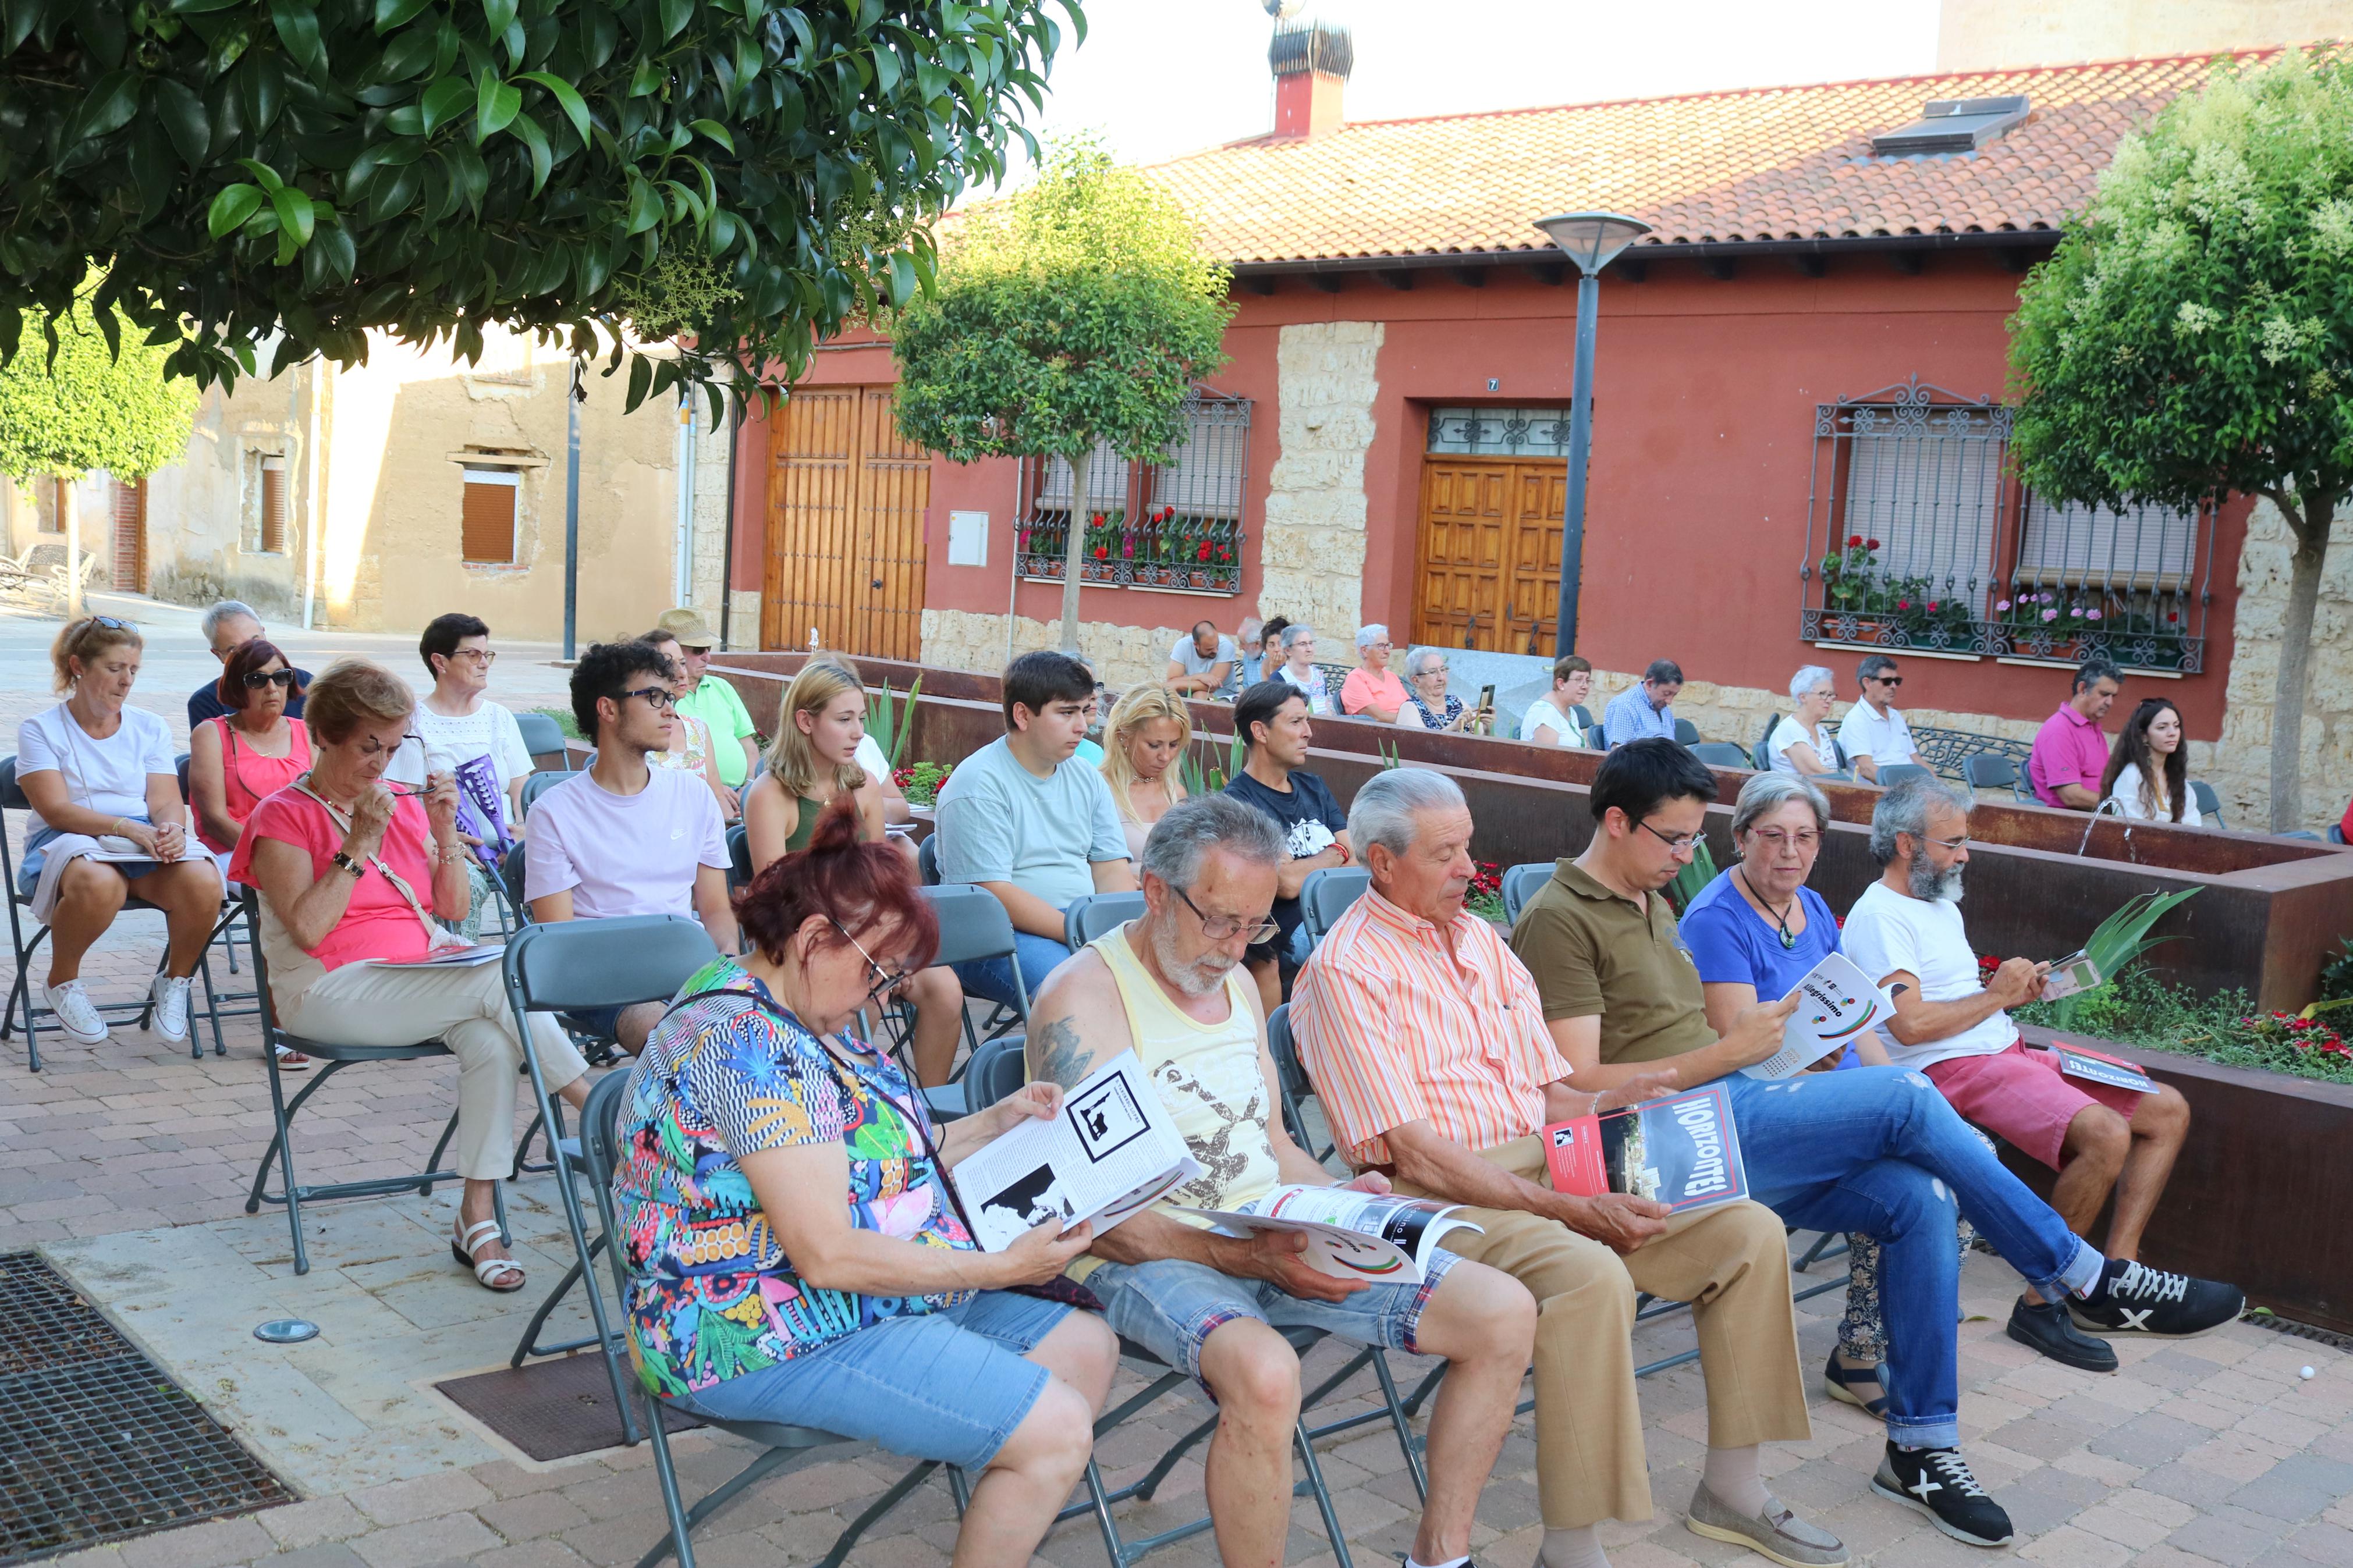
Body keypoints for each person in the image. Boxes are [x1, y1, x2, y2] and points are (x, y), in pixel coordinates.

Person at [1510, 746, 2244, 1551]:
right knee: (1902, 1095)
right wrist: (1725, 1054)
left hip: (1728, 1117)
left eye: (1693, 839)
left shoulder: (1644, 894)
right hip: (1654, 1144)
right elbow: (1573, 1084)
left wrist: (1766, 1048)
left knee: (1915, 1197)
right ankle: (2078, 1274)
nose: (1688, 858)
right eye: (1675, 839)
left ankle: (1920, 1447)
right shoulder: (1562, 914)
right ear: (1616, 821)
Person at [1291, 766, 1839, 1568]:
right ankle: (1572, 1546)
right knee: (1590, 1274)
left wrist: (1625, 1095)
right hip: (1442, 1191)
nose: (1465, 869)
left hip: (1549, 1159)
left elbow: (1549, 1089)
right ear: (1380, 861)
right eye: (1444, 854)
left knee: (1747, 1230)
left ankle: (1732, 1486)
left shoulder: (1481, 940)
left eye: (1468, 847)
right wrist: (1568, 1209)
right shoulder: (1345, 971)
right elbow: (1411, 1150)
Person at [1024, 795, 1536, 1568]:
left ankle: (1440, 1554)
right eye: (1219, 920)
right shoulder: (1084, 999)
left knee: (1500, 1309)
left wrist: (1341, 1199)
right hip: (1140, 1251)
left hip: (1263, 1222)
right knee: (1266, 1373)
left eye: (1254, 925)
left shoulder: (1227, 975)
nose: (1235, 947)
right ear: (1155, 889)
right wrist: (1242, 1255)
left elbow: (1268, 1141)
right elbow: (1095, 1214)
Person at [612, 805, 1117, 1563]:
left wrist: (995, 1119)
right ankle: (1017, 1456)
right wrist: (998, 1268)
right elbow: (825, 1253)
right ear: (815, 938)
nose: (881, 995)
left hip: (839, 1293)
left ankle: (1001, 1487)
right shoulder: (746, 1047)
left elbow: (874, 1158)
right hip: (746, 1323)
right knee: (1053, 1429)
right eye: (876, 971)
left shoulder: (791, 1002)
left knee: (1082, 1345)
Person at [1841, 777, 2240, 1344]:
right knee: (2104, 1135)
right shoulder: (1879, 916)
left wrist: (2013, 989)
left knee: (2165, 1110)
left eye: (1964, 841)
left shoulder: (1935, 902)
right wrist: (1997, 994)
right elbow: (1910, 1024)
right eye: (1952, 842)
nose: (1964, 853)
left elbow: (1948, 994)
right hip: (1949, 1069)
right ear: (1906, 844)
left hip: (2005, 1047)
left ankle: (2116, 1277)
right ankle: (2041, 1302)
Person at [235, 661, 591, 1292]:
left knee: (491, 1038)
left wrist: (446, 828)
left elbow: (453, 908)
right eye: (369, 745)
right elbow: (310, 930)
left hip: (417, 975)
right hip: (324, 988)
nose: (382, 762)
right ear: (324, 735)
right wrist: (359, 841)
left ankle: (476, 1216)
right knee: (502, 979)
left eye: (394, 747)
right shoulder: (283, 815)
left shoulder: (397, 808)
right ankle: (602, 1115)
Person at [744, 660, 966, 1086]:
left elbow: (877, 882)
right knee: (859, 996)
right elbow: (772, 902)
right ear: (805, 721)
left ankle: (924, 1114)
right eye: (844, 719)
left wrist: (883, 947)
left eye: (860, 718)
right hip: (803, 941)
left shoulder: (863, 785)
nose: (858, 732)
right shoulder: (771, 795)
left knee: (945, 990)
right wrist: (860, 958)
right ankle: (840, 1099)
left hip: (865, 935)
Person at [15, 616, 224, 1049]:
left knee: (205, 879)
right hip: (65, 841)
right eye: (114, 668)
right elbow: (55, 809)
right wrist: (123, 825)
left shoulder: (149, 726)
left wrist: (171, 826)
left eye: (133, 670)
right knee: (100, 882)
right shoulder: (41, 729)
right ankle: (62, 982)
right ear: (78, 666)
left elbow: (166, 799)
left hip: (138, 839)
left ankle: (175, 980)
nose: (126, 680)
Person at [524, 641, 737, 1055]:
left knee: (768, 1027)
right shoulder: (553, 812)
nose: (671, 710)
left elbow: (715, 910)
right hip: (602, 982)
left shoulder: (693, 796)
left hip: (686, 971)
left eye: (670, 698)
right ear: (607, 709)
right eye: (654, 697)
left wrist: (727, 959)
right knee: (679, 1039)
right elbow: (561, 941)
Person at [934, 652, 1134, 1009]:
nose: (1082, 727)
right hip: (996, 939)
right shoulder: (978, 785)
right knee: (1082, 993)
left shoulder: (1087, 777)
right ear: (1023, 715)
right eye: (1066, 713)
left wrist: (1115, 931)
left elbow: (1111, 869)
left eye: (1083, 711)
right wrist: (1085, 936)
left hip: (1080, 927)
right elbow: (992, 894)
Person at [385, 613, 531, 942]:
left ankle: (553, 967)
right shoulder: (414, 723)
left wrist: (523, 828)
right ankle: (464, 965)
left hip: (511, 842)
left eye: (487, 655)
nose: (484, 663)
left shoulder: (499, 717)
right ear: (440, 661)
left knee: (553, 873)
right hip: (446, 846)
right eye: (473, 655)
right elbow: (403, 800)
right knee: (468, 884)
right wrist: (442, 840)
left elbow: (523, 786)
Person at [1222, 682, 1351, 1015]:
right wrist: (1336, 854)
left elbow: (1356, 853)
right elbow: (1285, 884)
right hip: (1299, 930)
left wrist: (1327, 858)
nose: (1308, 732)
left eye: (1307, 722)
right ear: (1260, 731)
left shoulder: (1314, 786)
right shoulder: (1240, 802)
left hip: (1347, 913)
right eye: (1295, 722)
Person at [189, 638, 311, 860]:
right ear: (237, 687)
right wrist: (273, 857)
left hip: (301, 852)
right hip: (234, 851)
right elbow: (214, 821)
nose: (272, 688)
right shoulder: (211, 734)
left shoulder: (308, 733)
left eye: (281, 677)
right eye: (257, 680)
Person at [659, 607, 760, 810]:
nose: (708, 657)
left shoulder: (722, 687)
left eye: (708, 649)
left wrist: (749, 786)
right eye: (698, 651)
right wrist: (715, 789)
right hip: (695, 800)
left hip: (741, 796)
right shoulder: (662, 700)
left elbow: (748, 745)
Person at [638, 628, 738, 822]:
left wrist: (732, 828)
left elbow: (717, 796)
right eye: (668, 664)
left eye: (682, 663)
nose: (682, 673)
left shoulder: (697, 729)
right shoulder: (635, 732)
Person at [1099, 683, 1191, 861]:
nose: (1165, 756)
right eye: (1154, 745)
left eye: (1174, 745)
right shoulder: (1099, 788)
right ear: (1123, 736)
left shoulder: (1176, 793)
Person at [189, 601, 311, 730]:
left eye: (255, 641)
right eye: (235, 650)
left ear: (264, 635)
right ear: (219, 655)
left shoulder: (307, 683)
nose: (251, 655)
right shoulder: (206, 703)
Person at [2028, 659, 2123, 809]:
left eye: (2113, 696)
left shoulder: (2092, 726)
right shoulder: (2059, 731)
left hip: (2094, 818)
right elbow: (2071, 796)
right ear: (2083, 689)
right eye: (2105, 694)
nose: (2110, 702)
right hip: (2067, 823)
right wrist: (2121, 807)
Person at [2100, 697, 2202, 824]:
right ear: (2144, 736)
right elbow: (2131, 829)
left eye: (2176, 726)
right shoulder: (2132, 776)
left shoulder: (2178, 780)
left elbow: (2193, 827)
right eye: (2162, 727)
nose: (2172, 733)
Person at [1837, 655, 1926, 784]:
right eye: (1887, 681)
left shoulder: (1895, 716)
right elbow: (1866, 769)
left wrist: (1939, 788)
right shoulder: (1857, 719)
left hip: (1911, 790)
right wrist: (1907, 792)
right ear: (1867, 683)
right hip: (1884, 794)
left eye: (1897, 681)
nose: (1894, 686)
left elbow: (1916, 758)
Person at [1765, 666, 1841, 777]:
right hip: (1794, 793)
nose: (1829, 700)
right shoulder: (1791, 730)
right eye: (1823, 694)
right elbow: (1816, 773)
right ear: (1803, 697)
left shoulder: (1821, 731)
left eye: (1831, 695)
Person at [1397, 648, 1487, 733]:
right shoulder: (1410, 708)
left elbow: (1482, 741)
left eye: (1443, 670)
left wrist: (1488, 728)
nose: (1441, 678)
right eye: (1433, 672)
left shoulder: (1457, 703)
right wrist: (1452, 728)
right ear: (1416, 680)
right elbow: (1420, 746)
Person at [1600, 659, 1683, 748]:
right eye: (1666, 694)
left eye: (1674, 695)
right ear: (1649, 684)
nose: (1669, 701)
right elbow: (1619, 753)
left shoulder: (1664, 709)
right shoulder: (1625, 705)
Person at [1339, 624, 1408, 723]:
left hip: (1405, 729)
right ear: (1365, 651)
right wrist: (1412, 721)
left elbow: (1411, 706)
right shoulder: (1356, 679)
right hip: (1380, 733)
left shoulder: (1392, 677)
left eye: (1388, 645)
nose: (1387, 651)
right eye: (1381, 646)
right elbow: (1378, 716)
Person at [1521, 656, 1593, 748]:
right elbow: (1547, 758)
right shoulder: (1545, 713)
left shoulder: (1570, 711)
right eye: (1579, 680)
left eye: (1587, 680)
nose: (1585, 686)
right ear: (1561, 684)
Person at [1270, 623, 1335, 715]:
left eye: (1311, 643)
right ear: (1288, 651)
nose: (1309, 649)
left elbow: (1328, 708)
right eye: (1303, 644)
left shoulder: (1318, 675)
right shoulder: (1279, 679)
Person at [1165, 620, 1238, 698]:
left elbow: (1212, 686)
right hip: (1189, 691)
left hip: (1223, 693)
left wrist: (1178, 684)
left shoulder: (1226, 647)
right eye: (1209, 649)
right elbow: (1171, 681)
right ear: (1196, 645)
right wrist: (1199, 677)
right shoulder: (1183, 646)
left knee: (1199, 696)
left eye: (1217, 646)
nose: (1216, 651)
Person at [1255, 614, 1291, 684]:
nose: (1277, 649)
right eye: (1272, 645)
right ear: (1265, 649)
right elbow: (1269, 692)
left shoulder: (1295, 663)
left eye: (1280, 644)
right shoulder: (1266, 664)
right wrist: (1273, 671)